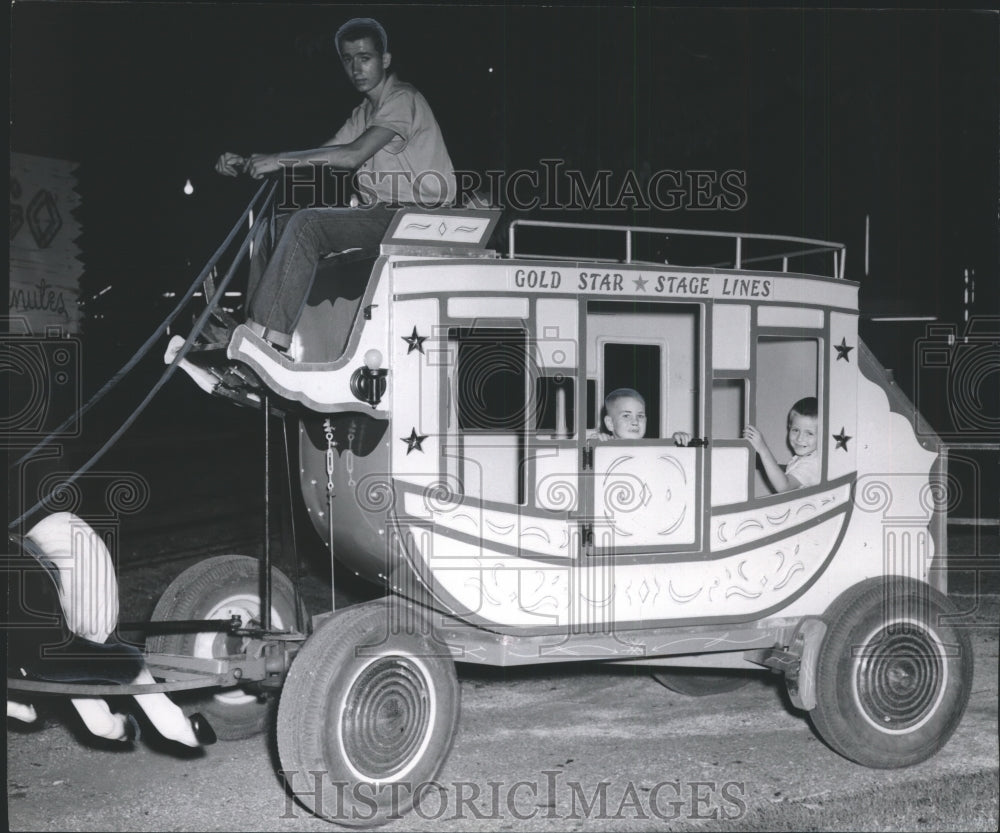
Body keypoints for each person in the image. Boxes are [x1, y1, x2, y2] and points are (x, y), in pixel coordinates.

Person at [213, 17, 456, 354]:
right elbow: (324, 155)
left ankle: (266, 340)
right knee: (271, 228)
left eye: (365, 58)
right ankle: (253, 326)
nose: (356, 68)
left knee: (306, 224)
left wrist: (278, 158)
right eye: (348, 59)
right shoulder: (363, 113)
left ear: (385, 60)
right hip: (385, 216)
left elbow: (351, 155)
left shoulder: (403, 98)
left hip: (419, 219)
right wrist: (249, 162)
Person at [744, 396, 821, 492]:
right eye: (796, 430)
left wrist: (763, 449)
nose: (800, 438)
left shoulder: (813, 463)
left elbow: (784, 487)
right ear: (789, 428)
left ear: (823, 436)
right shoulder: (802, 459)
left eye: (809, 433)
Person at [590, 387, 692, 445]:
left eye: (640, 416)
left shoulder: (651, 448)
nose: (635, 422)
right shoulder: (604, 444)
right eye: (626, 415)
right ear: (610, 423)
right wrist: (595, 442)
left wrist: (676, 442)